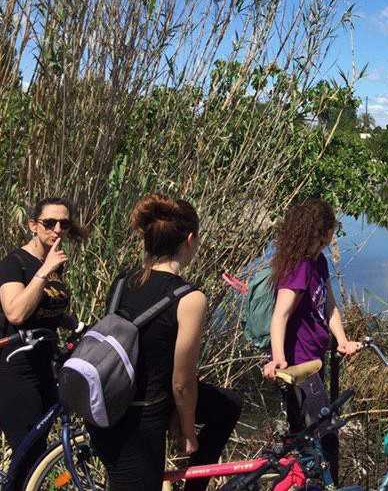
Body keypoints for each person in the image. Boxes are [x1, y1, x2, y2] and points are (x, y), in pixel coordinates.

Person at [88, 194, 241, 491]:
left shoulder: (122, 281)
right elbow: (182, 383)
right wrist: (188, 431)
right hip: (139, 424)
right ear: (190, 240)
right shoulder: (190, 298)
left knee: (227, 405)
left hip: (106, 405)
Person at [0, 197, 81, 489]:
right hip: (12, 369)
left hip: (44, 367)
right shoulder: (14, 264)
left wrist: (78, 326)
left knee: (37, 458)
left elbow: (49, 310)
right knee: (28, 459)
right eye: (49, 223)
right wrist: (43, 271)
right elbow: (16, 312)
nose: (57, 230)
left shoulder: (53, 264)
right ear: (33, 226)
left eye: (64, 224)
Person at [261, 198, 361, 475]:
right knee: (324, 434)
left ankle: (305, 478)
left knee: (309, 436)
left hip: (315, 360)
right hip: (299, 363)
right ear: (325, 232)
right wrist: (279, 358)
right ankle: (317, 481)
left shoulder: (319, 262)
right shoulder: (299, 267)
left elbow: (330, 306)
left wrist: (342, 340)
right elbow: (280, 315)